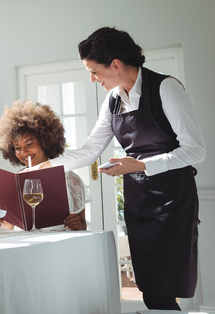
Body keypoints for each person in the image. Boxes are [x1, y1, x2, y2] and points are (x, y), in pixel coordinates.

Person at [35, 27, 205, 310]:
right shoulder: (113, 99)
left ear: (115, 65)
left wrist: (140, 164)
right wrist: (45, 167)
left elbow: (195, 150)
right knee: (150, 287)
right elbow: (91, 149)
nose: (92, 79)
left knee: (165, 288)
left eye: (94, 71)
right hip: (138, 199)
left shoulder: (166, 88)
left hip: (172, 201)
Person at [0, 100, 88, 231]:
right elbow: (9, 227)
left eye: (29, 144)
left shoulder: (70, 180)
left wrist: (77, 224)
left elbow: (83, 225)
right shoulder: (14, 182)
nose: (23, 152)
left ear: (45, 142)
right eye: (17, 147)